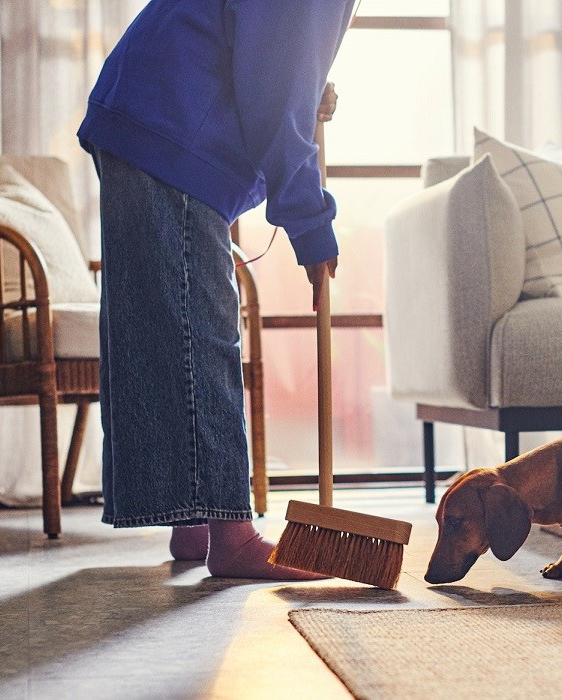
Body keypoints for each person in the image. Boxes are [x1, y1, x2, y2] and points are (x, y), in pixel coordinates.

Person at [78, 0, 357, 579]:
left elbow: (266, 62)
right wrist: (310, 223)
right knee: (199, 333)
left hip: (147, 115)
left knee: (168, 324)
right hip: (172, 125)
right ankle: (231, 537)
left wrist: (307, 95)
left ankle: (195, 521)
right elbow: (275, 100)